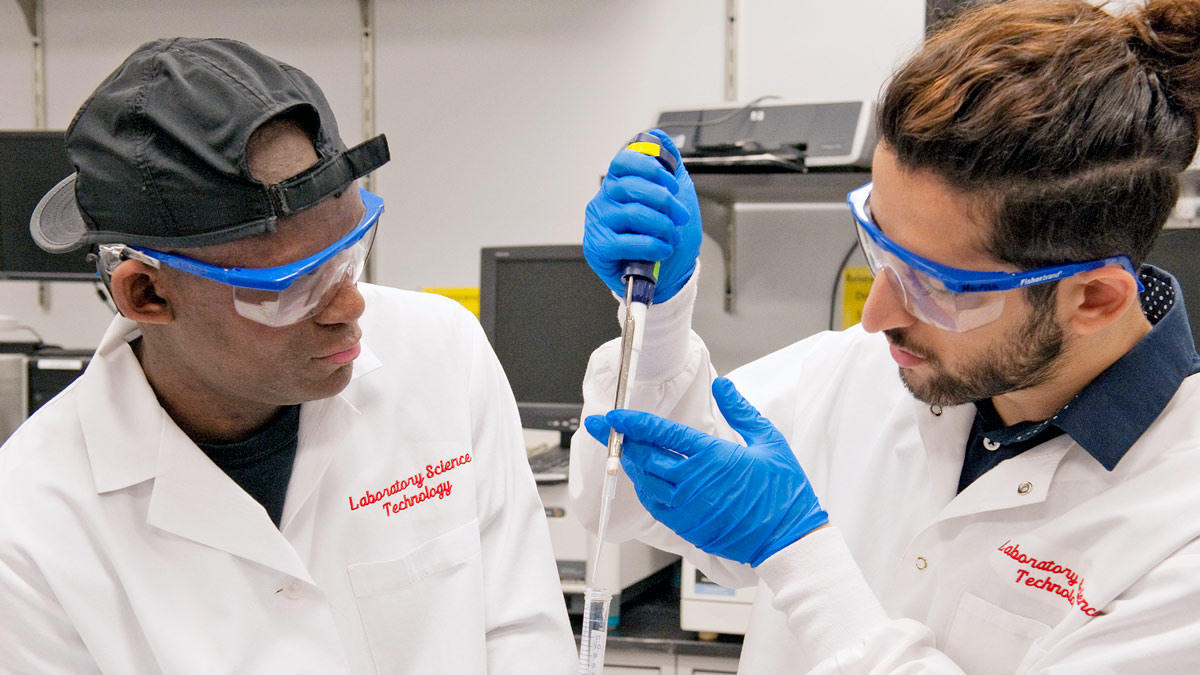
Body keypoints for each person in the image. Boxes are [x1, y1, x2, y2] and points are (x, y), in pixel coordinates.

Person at [572, 0, 1200, 672]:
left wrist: (795, 549)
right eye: (879, 249)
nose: (874, 314)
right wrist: (660, 319)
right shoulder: (863, 373)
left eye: (933, 285)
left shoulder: (1177, 526)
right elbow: (615, 497)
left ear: (1093, 298)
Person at [0, 38, 575, 674]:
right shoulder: (30, 523)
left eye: (349, 252)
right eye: (294, 285)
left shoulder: (442, 352)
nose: (349, 306)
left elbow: (522, 632)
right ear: (147, 293)